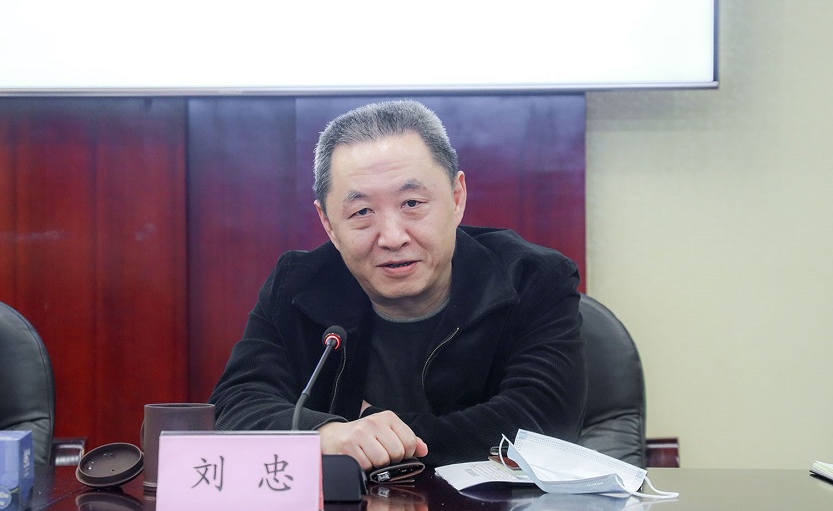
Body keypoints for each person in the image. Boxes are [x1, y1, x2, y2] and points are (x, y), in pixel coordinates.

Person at [209, 100, 586, 471]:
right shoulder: (296, 286)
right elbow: (234, 407)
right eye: (362, 212)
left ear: (456, 198)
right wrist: (326, 435)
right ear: (328, 224)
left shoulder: (533, 278)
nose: (392, 237)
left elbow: (543, 425)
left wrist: (371, 430)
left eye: (411, 203)